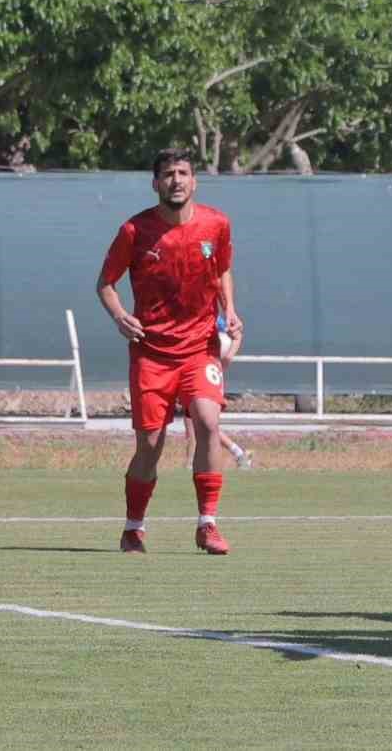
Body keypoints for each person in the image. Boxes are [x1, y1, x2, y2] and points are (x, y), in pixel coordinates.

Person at [97, 148, 241, 555]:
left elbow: (223, 268)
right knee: (150, 445)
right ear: (155, 183)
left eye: (182, 173)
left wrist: (230, 309)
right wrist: (120, 316)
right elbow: (105, 283)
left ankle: (208, 524)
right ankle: (133, 527)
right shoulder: (134, 231)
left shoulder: (217, 224)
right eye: (167, 174)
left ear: (194, 181)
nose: (175, 180)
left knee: (208, 422)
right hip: (152, 352)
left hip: (200, 347)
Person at [183, 314, 251, 469]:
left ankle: (192, 462)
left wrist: (225, 361)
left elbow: (237, 335)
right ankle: (238, 453)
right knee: (198, 422)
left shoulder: (213, 318)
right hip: (196, 366)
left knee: (200, 421)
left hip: (205, 370)